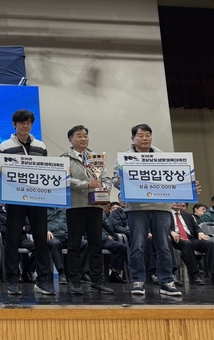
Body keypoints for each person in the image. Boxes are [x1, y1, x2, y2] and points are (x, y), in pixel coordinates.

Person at [113, 123, 198, 296]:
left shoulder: (163, 157)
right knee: (137, 246)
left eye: (148, 135)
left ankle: (167, 282)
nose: (145, 138)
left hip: (161, 207)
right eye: (141, 135)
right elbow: (115, 179)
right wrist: (118, 182)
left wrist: (189, 186)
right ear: (133, 138)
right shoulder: (124, 159)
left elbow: (174, 178)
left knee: (164, 246)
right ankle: (138, 281)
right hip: (136, 208)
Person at [0, 109, 55, 296]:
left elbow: (46, 170)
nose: (25, 126)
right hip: (15, 198)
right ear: (14, 125)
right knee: (12, 239)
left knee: (41, 239)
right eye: (21, 123)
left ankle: (43, 280)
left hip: (38, 199)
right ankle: (13, 280)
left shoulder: (41, 146)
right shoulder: (4, 146)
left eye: (28, 123)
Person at [61, 125, 114, 295]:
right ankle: (75, 281)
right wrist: (87, 185)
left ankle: (97, 281)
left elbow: (107, 178)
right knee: (74, 245)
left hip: (95, 206)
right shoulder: (65, 158)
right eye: (79, 136)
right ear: (70, 139)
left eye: (85, 136)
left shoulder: (95, 158)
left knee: (96, 245)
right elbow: (64, 179)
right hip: (75, 206)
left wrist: (104, 190)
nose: (83, 139)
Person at [170, 202, 214, 284]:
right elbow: (163, 228)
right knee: (187, 244)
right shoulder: (166, 215)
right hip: (175, 239)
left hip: (190, 237)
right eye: (174, 201)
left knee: (210, 244)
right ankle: (195, 274)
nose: (177, 203)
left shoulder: (187, 215)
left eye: (179, 201)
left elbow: (195, 227)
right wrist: (171, 232)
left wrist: (200, 232)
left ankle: (213, 274)